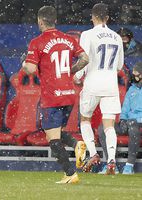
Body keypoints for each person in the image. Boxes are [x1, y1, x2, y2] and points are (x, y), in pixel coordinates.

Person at [22, 6, 89, 184]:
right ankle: (77, 145)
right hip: (68, 94)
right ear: (55, 21)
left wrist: (23, 63)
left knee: (53, 139)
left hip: (52, 96)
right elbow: (85, 59)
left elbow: (29, 69)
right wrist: (70, 71)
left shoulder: (37, 42)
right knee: (56, 132)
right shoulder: (69, 39)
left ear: (40, 21)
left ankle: (70, 174)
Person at [74, 3, 124, 175]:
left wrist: (77, 75)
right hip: (110, 85)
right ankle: (111, 161)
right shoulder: (117, 37)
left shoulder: (87, 35)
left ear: (92, 17)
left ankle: (93, 154)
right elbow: (119, 66)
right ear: (107, 18)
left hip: (93, 83)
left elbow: (84, 59)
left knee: (85, 119)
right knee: (109, 125)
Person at [98, 62, 142, 175]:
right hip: (128, 122)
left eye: (136, 74)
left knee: (133, 127)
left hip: (138, 123)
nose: (134, 76)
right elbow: (125, 108)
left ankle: (129, 165)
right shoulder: (131, 90)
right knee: (103, 128)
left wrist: (136, 120)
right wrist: (123, 119)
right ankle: (111, 163)